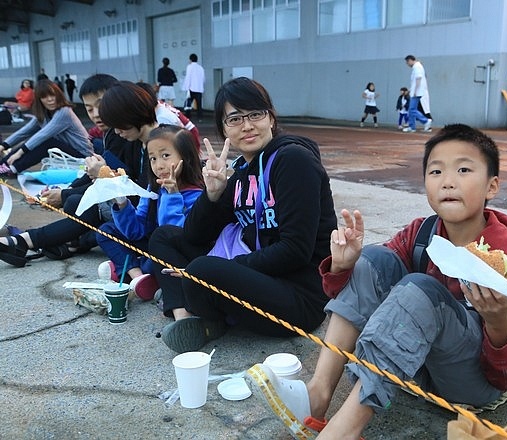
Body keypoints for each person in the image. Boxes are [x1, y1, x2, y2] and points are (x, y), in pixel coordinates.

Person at [246, 124, 507, 440]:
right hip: (418, 369)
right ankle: (317, 396)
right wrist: (344, 266)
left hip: (473, 382)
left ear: (491, 186)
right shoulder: (422, 231)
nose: (448, 182)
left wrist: (498, 322)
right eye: (436, 171)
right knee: (373, 259)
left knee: (420, 291)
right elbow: (357, 292)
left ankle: (342, 433)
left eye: (464, 169)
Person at [149, 76, 337, 353]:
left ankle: (201, 305)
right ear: (223, 128)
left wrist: (227, 267)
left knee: (203, 270)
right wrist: (212, 195)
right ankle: (186, 316)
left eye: (255, 114)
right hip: (256, 278)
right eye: (234, 119)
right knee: (164, 236)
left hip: (297, 298)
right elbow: (193, 235)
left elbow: (296, 250)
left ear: (271, 118)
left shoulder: (294, 160)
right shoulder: (241, 170)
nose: (247, 126)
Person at [0, 74, 147, 268]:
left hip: (130, 207)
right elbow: (28, 132)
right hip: (124, 204)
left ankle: (36, 241)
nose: (95, 114)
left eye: (100, 105)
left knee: (80, 204)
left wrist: (65, 192)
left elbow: (124, 182)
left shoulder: (124, 133)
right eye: (89, 108)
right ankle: (63, 242)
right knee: (76, 202)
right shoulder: (115, 132)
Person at [96, 125, 203, 301]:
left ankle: (128, 268)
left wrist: (173, 195)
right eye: (153, 158)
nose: (159, 165)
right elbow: (135, 230)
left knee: (152, 263)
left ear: (186, 157)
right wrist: (121, 203)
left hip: (174, 252)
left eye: (165, 156)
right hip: (151, 243)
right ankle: (136, 275)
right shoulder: (153, 188)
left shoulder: (196, 194)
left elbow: (175, 235)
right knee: (105, 231)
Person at [0, 79, 92, 177]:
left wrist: (19, 153)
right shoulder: (43, 114)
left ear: (58, 95)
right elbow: (24, 132)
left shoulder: (64, 112)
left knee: (46, 142)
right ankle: (3, 165)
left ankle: (13, 168)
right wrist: (3, 146)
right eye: (44, 97)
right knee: (30, 141)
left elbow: (43, 135)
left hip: (83, 156)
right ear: (39, 100)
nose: (50, 99)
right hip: (65, 151)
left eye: (52, 95)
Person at [403, 55, 432, 133]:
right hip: (416, 91)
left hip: (417, 92)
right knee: (411, 109)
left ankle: (425, 121)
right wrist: (411, 90)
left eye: (407, 62)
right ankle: (412, 127)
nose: (407, 64)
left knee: (412, 109)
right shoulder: (417, 67)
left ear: (410, 60)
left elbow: (418, 79)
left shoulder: (417, 67)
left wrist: (415, 90)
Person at [181, 53, 205, 122]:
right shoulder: (201, 68)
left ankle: (187, 117)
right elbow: (203, 78)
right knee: (199, 104)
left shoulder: (189, 66)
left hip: (191, 88)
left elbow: (188, 78)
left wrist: (186, 87)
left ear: (190, 59)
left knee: (188, 103)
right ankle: (200, 118)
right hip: (199, 89)